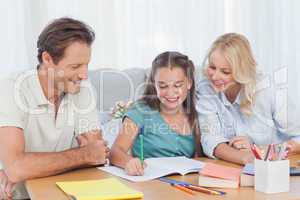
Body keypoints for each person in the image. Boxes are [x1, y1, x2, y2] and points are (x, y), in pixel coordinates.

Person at [0, 17, 109, 199]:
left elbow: (96, 156)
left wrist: (28, 167)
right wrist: (82, 155)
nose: (84, 75)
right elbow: (17, 168)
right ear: (47, 59)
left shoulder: (83, 89)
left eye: (87, 64)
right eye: (75, 66)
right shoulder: (11, 89)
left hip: (67, 193)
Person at [196, 33, 300, 165]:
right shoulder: (206, 88)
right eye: (212, 67)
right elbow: (210, 139)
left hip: (278, 166)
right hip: (236, 166)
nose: (215, 77)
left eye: (225, 72)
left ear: (242, 71)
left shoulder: (268, 91)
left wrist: (259, 151)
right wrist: (244, 157)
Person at [110, 51, 202, 176]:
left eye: (178, 85)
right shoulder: (140, 111)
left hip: (185, 185)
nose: (170, 93)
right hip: (150, 184)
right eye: (163, 86)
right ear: (154, 85)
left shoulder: (197, 113)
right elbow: (115, 151)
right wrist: (128, 162)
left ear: (189, 83)